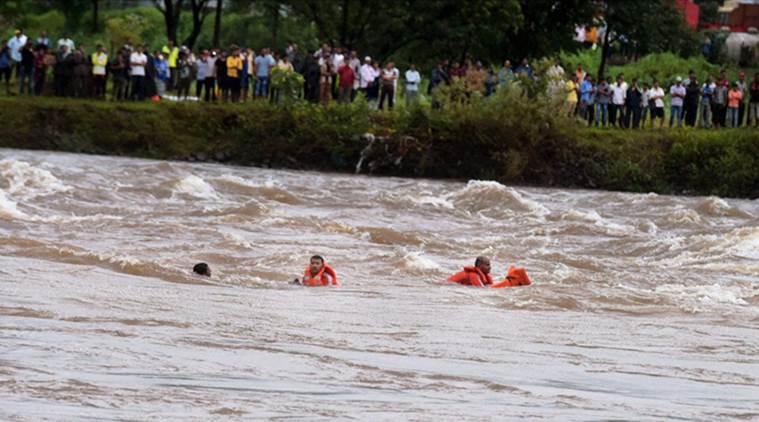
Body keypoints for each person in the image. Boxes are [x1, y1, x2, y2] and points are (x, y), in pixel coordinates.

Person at [447, 257, 532, 288]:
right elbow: (481, 289)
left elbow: (488, 286)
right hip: (447, 285)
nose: (490, 267)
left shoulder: (482, 276)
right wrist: (507, 283)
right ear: (479, 266)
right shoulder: (473, 275)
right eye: (487, 265)